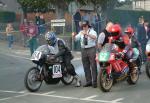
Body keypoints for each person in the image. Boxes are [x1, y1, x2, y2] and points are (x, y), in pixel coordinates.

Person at [72, 20, 97, 88]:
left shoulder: (92, 31)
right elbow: (76, 39)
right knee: (86, 66)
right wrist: (73, 36)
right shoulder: (81, 32)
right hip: (83, 50)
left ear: (88, 26)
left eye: (85, 26)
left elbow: (95, 37)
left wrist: (87, 34)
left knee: (93, 66)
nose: (84, 28)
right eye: (83, 26)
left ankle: (94, 82)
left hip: (91, 49)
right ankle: (89, 81)